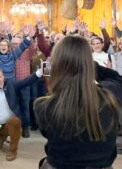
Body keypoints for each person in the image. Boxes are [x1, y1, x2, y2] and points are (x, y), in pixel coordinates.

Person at [34, 36, 120, 169]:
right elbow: (116, 78)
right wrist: (87, 65)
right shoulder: (111, 96)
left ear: (57, 64)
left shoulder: (42, 106)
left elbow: (47, 133)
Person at [0, 66, 42, 161]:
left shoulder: (11, 85)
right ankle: (1, 137)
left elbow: (26, 81)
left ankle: (13, 150)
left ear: (3, 77)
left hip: (9, 125)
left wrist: (40, 72)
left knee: (14, 121)